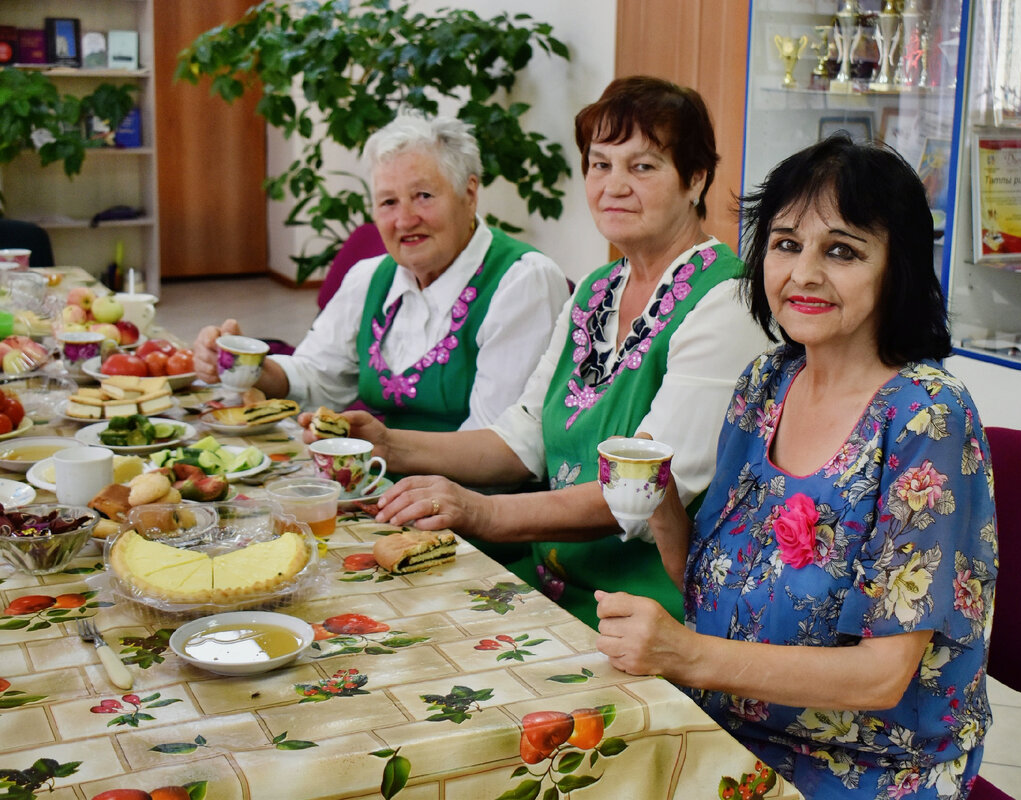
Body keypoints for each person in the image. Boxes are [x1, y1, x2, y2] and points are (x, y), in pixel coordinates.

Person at [593, 135, 996, 798]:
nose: (804, 272)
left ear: (897, 268)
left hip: (869, 767)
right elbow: (713, 587)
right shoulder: (765, 384)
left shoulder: (927, 414)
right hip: (727, 726)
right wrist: (658, 502)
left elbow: (881, 676)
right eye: (786, 244)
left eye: (841, 250)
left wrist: (685, 655)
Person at [311, 76, 770, 628]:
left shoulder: (726, 302)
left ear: (695, 179)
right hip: (549, 582)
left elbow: (637, 492)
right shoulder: (596, 290)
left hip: (646, 609)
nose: (614, 186)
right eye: (600, 165)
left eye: (642, 166)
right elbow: (522, 439)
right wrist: (388, 443)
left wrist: (479, 510)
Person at [193, 111, 569, 432]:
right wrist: (248, 365)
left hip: (474, 504)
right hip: (386, 483)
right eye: (388, 202)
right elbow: (317, 375)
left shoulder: (522, 281)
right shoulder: (371, 277)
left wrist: (384, 448)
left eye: (423, 196)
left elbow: (499, 441)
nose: (405, 219)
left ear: (469, 194)